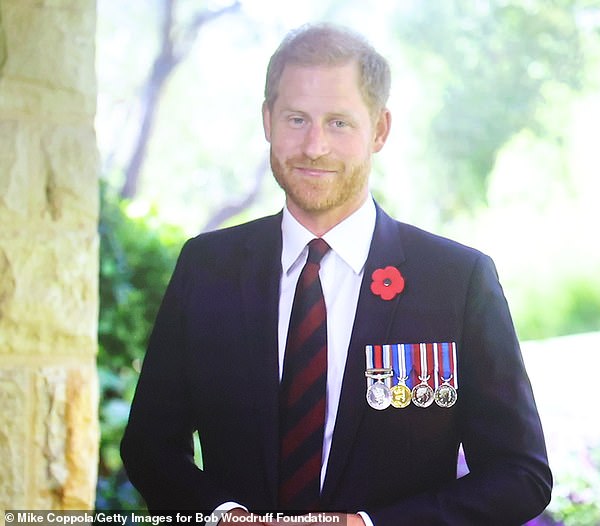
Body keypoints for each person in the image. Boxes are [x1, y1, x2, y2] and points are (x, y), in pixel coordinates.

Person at [121, 23, 552, 525]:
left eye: (339, 123)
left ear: (380, 129)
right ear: (267, 120)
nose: (314, 146)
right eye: (296, 119)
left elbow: (521, 474)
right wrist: (222, 515)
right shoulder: (207, 267)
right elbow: (150, 446)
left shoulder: (457, 281)